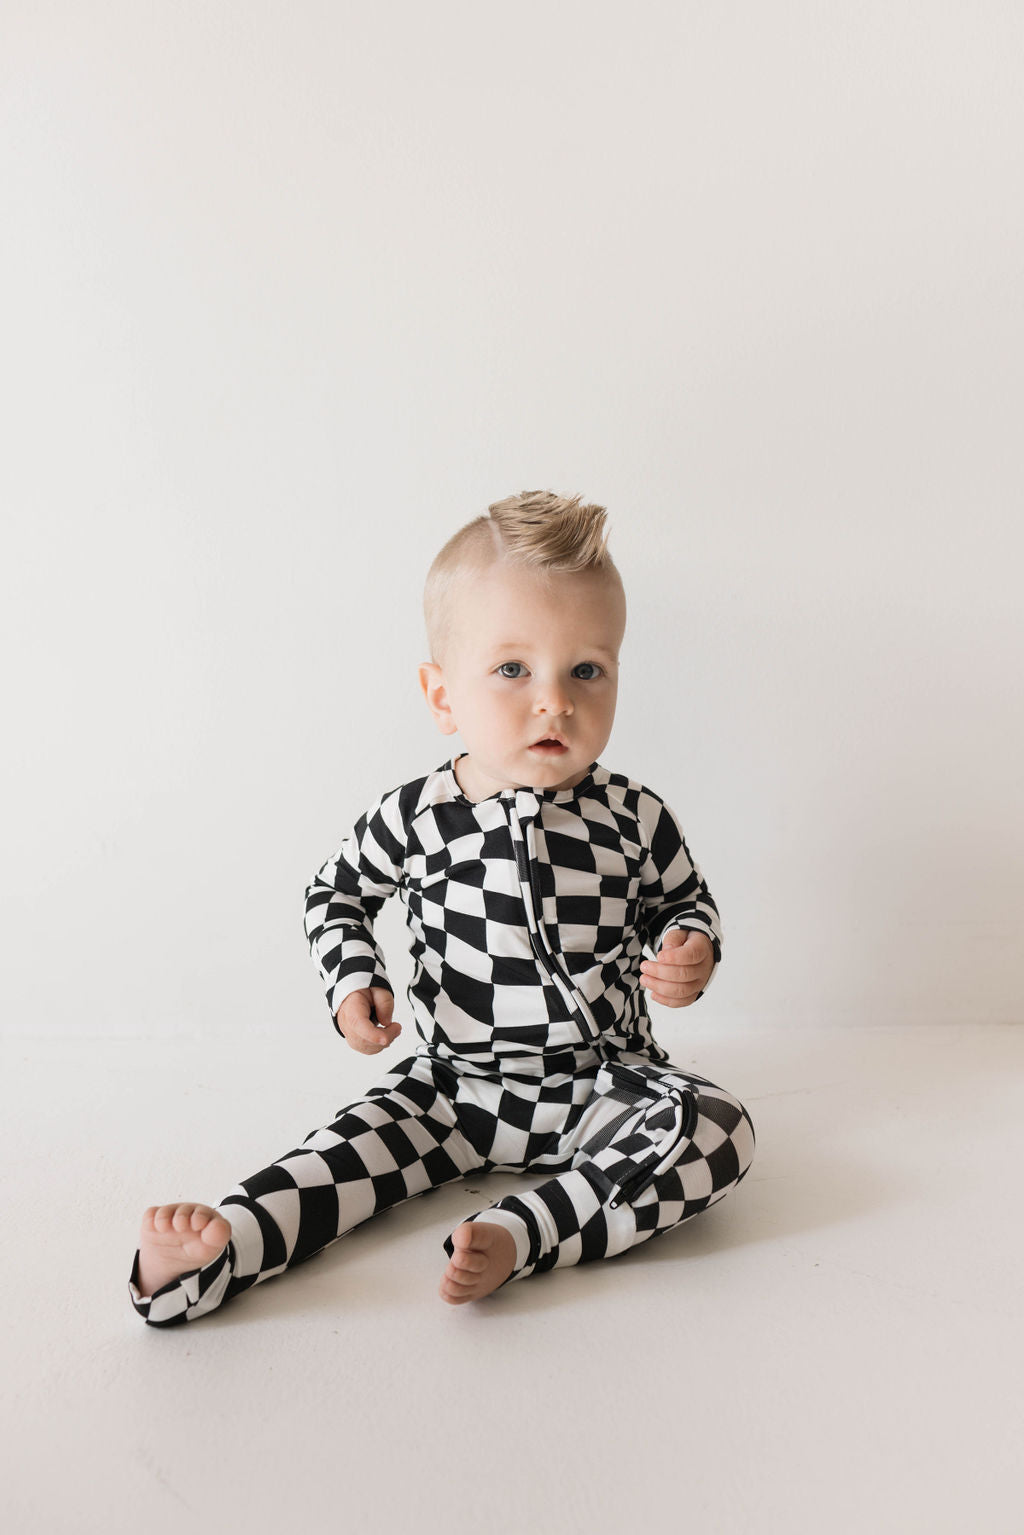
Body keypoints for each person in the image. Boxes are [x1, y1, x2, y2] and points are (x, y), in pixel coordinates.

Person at [129, 490, 756, 1325]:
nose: (553, 700)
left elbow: (683, 900)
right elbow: (336, 892)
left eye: (586, 669)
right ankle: (217, 1250)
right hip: (453, 1090)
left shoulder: (633, 814)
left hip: (604, 1085)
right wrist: (354, 979)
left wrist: (688, 947)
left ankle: (525, 1231)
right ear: (441, 696)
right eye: (512, 669)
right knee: (343, 1154)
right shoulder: (417, 816)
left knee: (719, 1126)